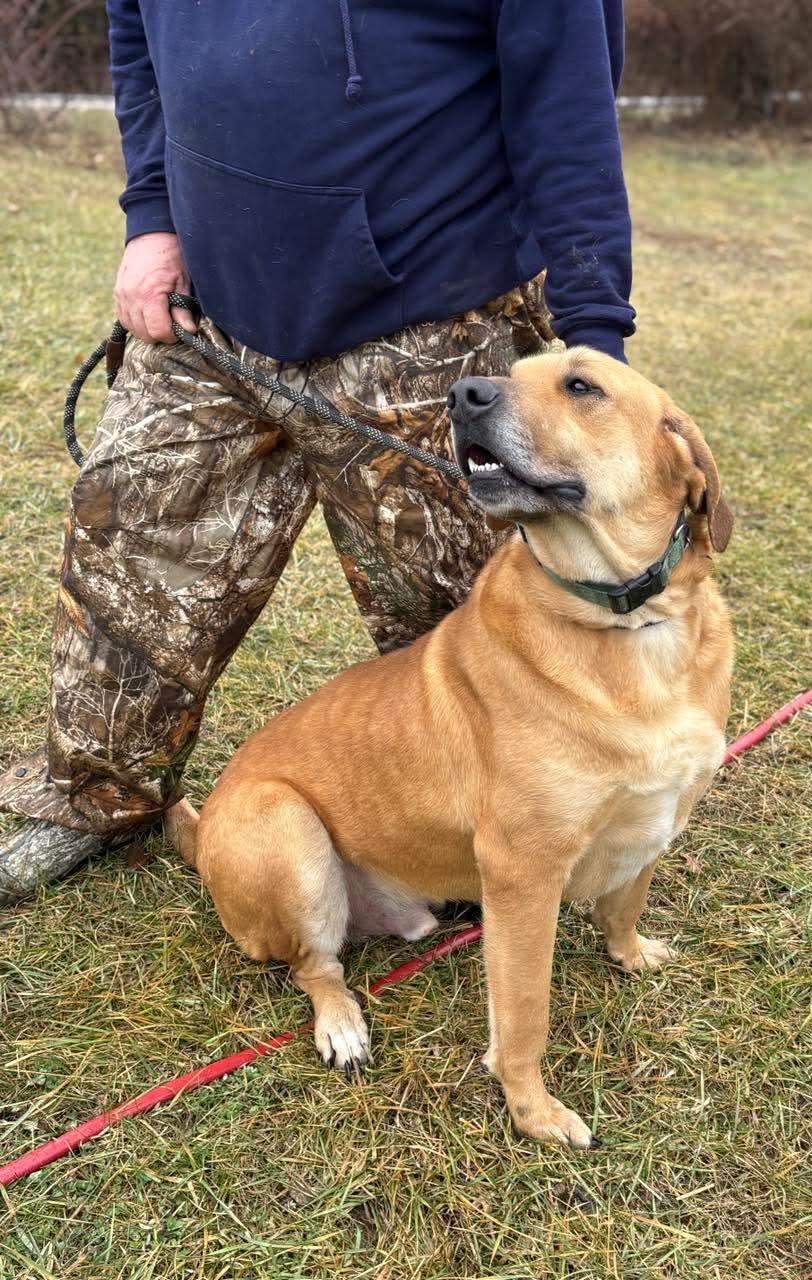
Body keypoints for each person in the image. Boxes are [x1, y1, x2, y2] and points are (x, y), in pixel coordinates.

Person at [0, 0, 635, 901]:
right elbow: (137, 28)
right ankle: (94, 796)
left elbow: (565, 107)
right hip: (209, 310)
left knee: (475, 604)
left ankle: (499, 823)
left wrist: (595, 334)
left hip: (431, 305)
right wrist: (152, 218)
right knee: (130, 547)